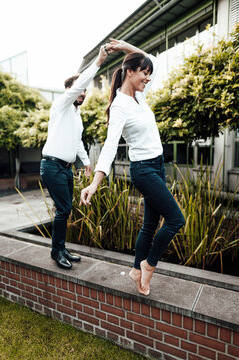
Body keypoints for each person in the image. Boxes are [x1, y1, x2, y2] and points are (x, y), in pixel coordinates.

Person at [80, 38, 185, 295]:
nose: (148, 78)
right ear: (130, 72)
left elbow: (155, 62)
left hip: (157, 165)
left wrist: (127, 47)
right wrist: (95, 182)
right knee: (175, 219)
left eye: (148, 74)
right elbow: (109, 147)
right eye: (144, 73)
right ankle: (149, 265)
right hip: (144, 170)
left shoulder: (139, 95)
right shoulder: (120, 107)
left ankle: (136, 271)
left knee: (150, 225)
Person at [40, 45, 109, 270]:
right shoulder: (61, 105)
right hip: (51, 167)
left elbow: (78, 140)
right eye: (80, 90)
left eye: (86, 91)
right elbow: (79, 84)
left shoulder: (76, 116)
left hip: (66, 168)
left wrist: (87, 162)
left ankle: (62, 247)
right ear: (70, 90)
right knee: (63, 210)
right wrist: (97, 63)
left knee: (66, 209)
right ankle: (56, 251)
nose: (84, 93)